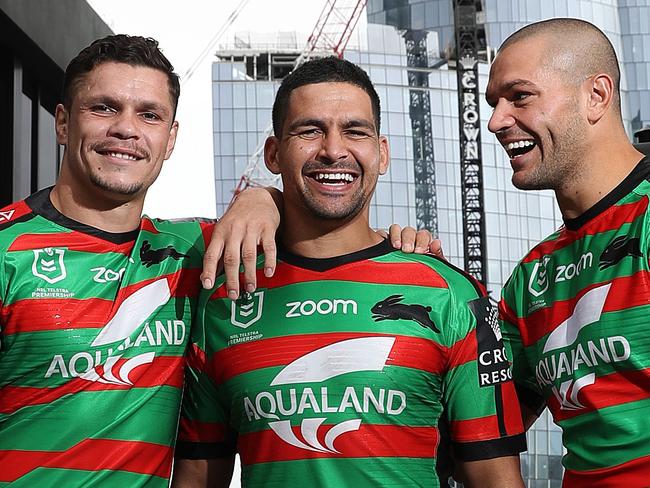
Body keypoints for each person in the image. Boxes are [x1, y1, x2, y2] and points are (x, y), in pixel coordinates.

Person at [0, 34, 430, 487]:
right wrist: (261, 199)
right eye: (104, 108)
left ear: (170, 139)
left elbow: (326, 219)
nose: (126, 129)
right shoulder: (7, 247)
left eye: (149, 115)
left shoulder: (197, 250)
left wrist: (262, 199)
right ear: (63, 123)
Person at [172, 56, 526, 488]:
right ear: (273, 154)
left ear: (382, 153)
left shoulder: (449, 292)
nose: (334, 149)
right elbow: (195, 477)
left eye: (355, 131)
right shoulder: (224, 299)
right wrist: (257, 198)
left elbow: (495, 477)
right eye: (309, 130)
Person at [486, 18, 650, 486]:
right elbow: (480, 429)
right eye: (493, 103)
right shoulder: (531, 278)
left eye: (520, 97)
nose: (496, 121)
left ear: (596, 96)